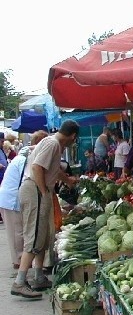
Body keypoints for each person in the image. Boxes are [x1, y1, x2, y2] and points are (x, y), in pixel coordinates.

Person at [11, 120, 79, 299]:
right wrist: (43, 191)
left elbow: (52, 170)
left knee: (41, 234)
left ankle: (39, 277)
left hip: (37, 190)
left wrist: (67, 180)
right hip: (35, 190)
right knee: (34, 236)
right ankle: (19, 282)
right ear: (73, 136)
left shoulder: (51, 143)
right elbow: (37, 168)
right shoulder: (52, 144)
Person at [0, 130, 48, 269]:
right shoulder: (26, 159)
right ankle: (19, 261)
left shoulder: (25, 155)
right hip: (10, 198)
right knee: (17, 231)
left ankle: (21, 260)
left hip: (10, 196)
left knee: (17, 230)